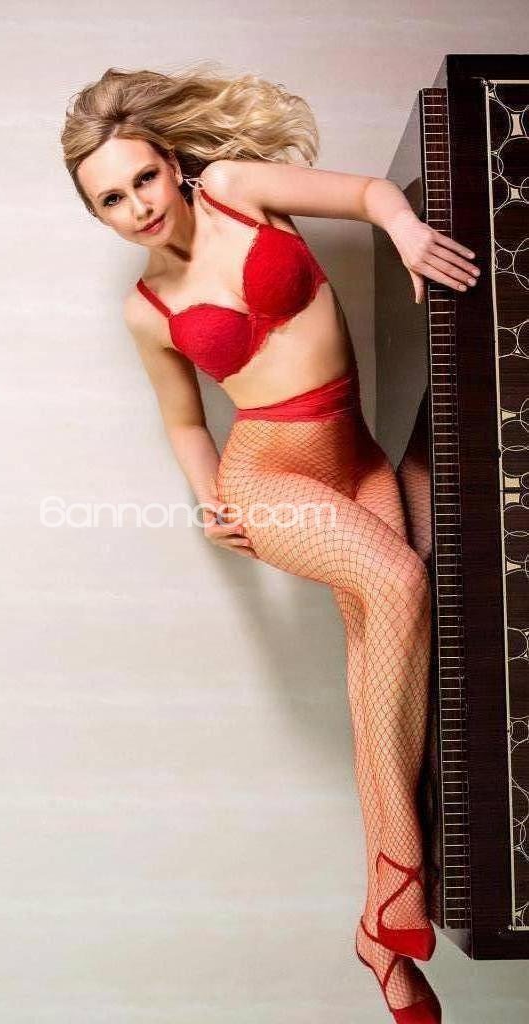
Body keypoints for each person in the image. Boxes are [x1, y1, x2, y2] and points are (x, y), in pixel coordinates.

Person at [61, 63, 480, 1022]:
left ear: (172, 164)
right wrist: (214, 503)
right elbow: (184, 421)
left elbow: (368, 194)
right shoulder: (146, 310)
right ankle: (401, 876)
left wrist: (404, 227)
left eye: (142, 179)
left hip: (354, 455)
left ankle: (378, 927)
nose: (137, 207)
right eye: (111, 201)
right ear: (98, 215)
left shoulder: (236, 191)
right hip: (269, 475)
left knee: (381, 657)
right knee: (399, 584)